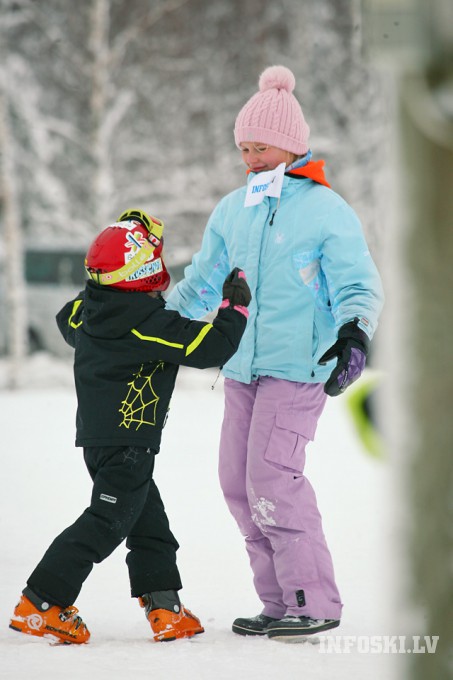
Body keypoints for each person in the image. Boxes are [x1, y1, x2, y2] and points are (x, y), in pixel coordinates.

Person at [166, 66, 385, 640]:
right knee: (237, 484)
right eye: (244, 148)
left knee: (272, 479)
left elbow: (357, 283)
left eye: (260, 147)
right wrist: (154, 321)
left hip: (298, 368)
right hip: (242, 367)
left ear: (290, 145)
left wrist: (355, 332)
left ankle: (314, 600)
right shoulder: (232, 209)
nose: (251, 158)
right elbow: (203, 281)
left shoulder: (325, 209)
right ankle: (278, 603)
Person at [9, 209, 251, 645]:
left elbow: (67, 317)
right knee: (107, 522)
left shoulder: (86, 312)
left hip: (99, 441)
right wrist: (234, 308)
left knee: (147, 523)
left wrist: (102, 282)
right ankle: (41, 602)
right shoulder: (148, 324)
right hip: (128, 444)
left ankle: (165, 608)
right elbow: (211, 346)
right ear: (146, 273)